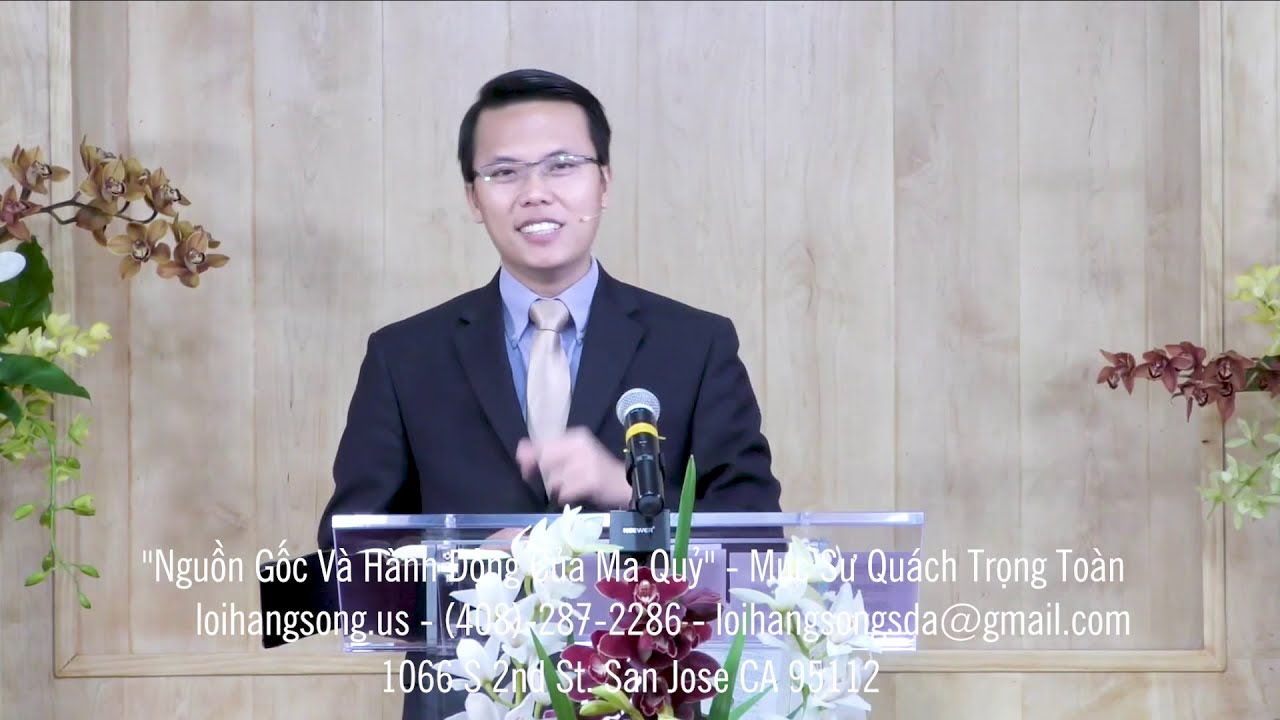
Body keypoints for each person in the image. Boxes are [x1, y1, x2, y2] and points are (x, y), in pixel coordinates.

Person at [314, 68, 783, 720]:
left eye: (562, 166)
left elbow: (760, 548)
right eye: (504, 172)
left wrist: (628, 494)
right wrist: (473, 569)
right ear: (474, 197)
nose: (535, 192)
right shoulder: (404, 357)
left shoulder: (696, 345)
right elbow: (346, 564)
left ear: (604, 182)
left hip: (649, 702)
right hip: (468, 701)